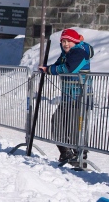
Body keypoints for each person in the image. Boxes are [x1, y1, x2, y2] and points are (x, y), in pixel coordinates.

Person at [39, 28, 92, 168]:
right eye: (63, 41)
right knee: (57, 121)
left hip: (80, 97)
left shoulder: (80, 53)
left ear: (75, 41)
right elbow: (57, 66)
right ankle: (66, 152)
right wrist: (46, 68)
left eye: (68, 41)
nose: (66, 44)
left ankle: (80, 158)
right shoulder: (65, 54)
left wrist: (50, 70)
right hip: (68, 97)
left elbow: (69, 68)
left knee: (76, 128)